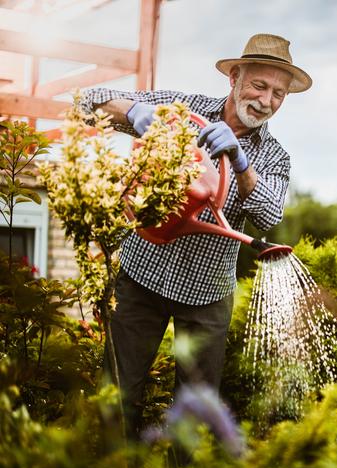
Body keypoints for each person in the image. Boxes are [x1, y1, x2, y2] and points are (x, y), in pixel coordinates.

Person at [79, 33, 312, 440]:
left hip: (208, 295)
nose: (267, 100)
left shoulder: (274, 156)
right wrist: (134, 112)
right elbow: (86, 102)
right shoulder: (182, 112)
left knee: (194, 418)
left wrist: (240, 163)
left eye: (279, 93)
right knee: (117, 397)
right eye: (259, 85)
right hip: (143, 275)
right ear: (234, 77)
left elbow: (271, 213)